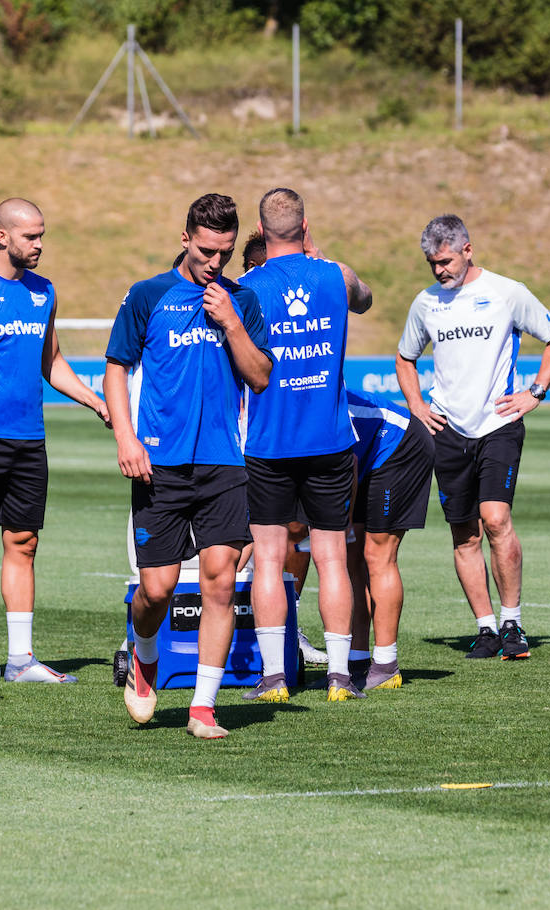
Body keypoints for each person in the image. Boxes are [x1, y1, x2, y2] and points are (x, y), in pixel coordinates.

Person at [105, 192, 272, 739]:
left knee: (221, 583)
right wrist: (127, 438)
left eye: (223, 253)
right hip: (159, 465)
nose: (214, 263)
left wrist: (232, 325)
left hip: (224, 463)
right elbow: (116, 368)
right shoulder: (147, 295)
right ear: (185, 239)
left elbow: (261, 376)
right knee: (157, 589)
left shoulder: (241, 301)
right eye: (205, 251)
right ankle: (145, 654)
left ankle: (203, 707)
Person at [0, 198, 108, 687]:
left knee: (23, 543)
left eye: (42, 234)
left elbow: (50, 362)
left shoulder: (44, 292)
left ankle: (21, 660)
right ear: (2, 237)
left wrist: (96, 401)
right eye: (31, 236)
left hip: (29, 441)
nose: (40, 245)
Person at [396, 214, 550, 661]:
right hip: (448, 430)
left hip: (498, 424)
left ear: (468, 250)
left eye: (446, 261)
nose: (440, 270)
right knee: (463, 534)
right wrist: (418, 405)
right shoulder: (426, 303)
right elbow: (404, 357)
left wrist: (535, 393)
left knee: (495, 519)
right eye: (432, 263)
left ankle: (513, 622)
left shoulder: (506, 292)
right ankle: (486, 628)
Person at [238, 187, 373, 702]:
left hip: (270, 443)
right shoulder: (335, 276)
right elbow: (365, 297)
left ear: (262, 231)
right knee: (333, 557)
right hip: (330, 441)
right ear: (305, 226)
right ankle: (340, 676)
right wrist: (322, 262)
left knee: (270, 560)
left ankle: (274, 678)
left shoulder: (245, 287)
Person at [345, 387, 435, 689]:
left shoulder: (320, 410)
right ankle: (355, 662)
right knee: (349, 554)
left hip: (400, 446)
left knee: (377, 553)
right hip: (365, 453)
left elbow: (345, 468)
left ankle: (386, 665)